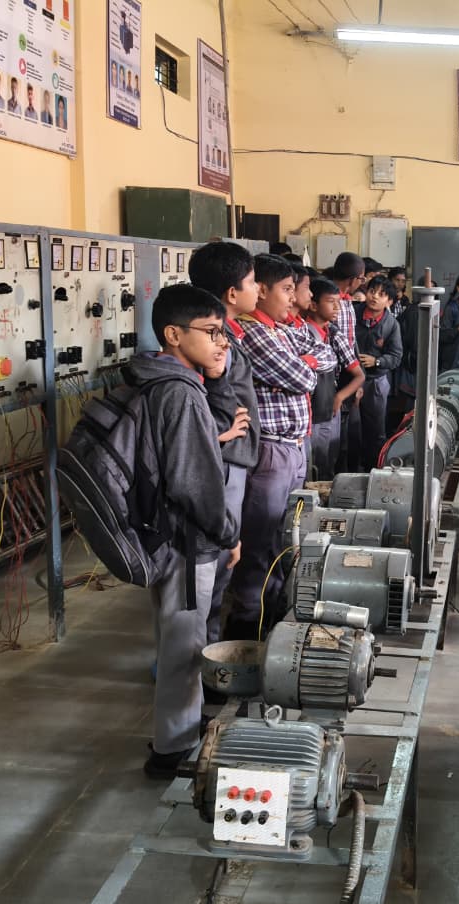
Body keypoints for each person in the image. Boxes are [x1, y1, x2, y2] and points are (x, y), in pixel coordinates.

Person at [128, 284, 241, 778]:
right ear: (174, 334)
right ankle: (172, 749)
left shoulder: (150, 376)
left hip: (158, 532)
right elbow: (197, 483)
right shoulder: (182, 394)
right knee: (185, 647)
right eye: (211, 332)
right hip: (187, 540)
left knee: (171, 633)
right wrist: (229, 533)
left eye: (223, 332)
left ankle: (177, 731)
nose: (222, 342)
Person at [231, 256, 326, 633]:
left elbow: (325, 352)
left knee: (285, 534)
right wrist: (306, 364)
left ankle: (271, 612)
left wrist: (306, 361)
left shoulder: (280, 328)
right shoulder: (253, 332)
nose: (292, 298)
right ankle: (246, 624)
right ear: (261, 290)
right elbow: (304, 378)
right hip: (271, 450)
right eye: (286, 289)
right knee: (260, 540)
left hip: (293, 447)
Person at [186, 242, 262, 648]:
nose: (258, 289)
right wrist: (220, 432)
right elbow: (203, 397)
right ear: (232, 293)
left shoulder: (223, 332)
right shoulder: (213, 339)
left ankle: (203, 650)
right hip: (222, 461)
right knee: (213, 565)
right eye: (253, 282)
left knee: (217, 566)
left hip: (229, 457)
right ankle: (201, 659)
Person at [305, 277, 364, 479]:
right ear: (313, 305)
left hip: (328, 407)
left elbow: (359, 375)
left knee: (326, 462)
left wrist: (339, 397)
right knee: (312, 467)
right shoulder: (301, 332)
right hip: (312, 410)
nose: (337, 307)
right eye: (331, 302)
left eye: (338, 302)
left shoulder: (333, 334)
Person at [354, 276, 404, 470]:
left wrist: (377, 361)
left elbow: (396, 356)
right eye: (372, 291)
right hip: (350, 380)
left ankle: (372, 470)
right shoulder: (353, 313)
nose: (374, 297)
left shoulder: (392, 324)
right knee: (350, 429)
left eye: (381, 294)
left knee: (375, 430)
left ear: (389, 301)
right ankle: (348, 469)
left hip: (375, 381)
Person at [324, 252, 366, 471]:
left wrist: (356, 381)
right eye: (362, 278)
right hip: (333, 378)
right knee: (333, 443)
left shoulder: (348, 302)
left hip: (350, 374)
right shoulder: (332, 303)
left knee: (348, 438)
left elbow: (351, 341)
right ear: (353, 279)